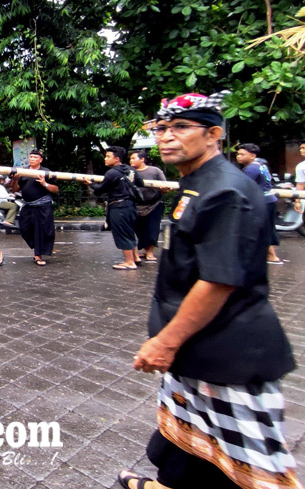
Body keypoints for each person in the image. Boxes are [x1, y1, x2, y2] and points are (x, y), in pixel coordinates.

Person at [118, 91, 299, 489]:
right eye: (161, 128)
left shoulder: (226, 191)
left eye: (181, 127)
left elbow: (219, 280)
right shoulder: (197, 183)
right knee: (193, 443)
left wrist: (165, 342)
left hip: (229, 353)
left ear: (214, 134)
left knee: (255, 469)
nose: (166, 137)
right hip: (197, 349)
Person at [82, 146, 143, 270]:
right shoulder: (131, 170)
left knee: (122, 233)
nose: (105, 159)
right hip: (130, 206)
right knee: (129, 232)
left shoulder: (112, 173)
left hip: (118, 207)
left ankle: (129, 262)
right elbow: (140, 183)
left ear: (116, 159)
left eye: (108, 156)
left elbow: (100, 190)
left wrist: (90, 184)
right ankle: (136, 257)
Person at [236, 144, 282, 264]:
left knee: (259, 229)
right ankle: (267, 256)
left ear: (252, 156)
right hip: (269, 200)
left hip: (261, 202)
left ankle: (271, 256)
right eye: (238, 154)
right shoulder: (260, 165)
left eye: (242, 154)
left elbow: (243, 186)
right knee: (266, 229)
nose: (238, 157)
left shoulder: (250, 169)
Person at [11, 149, 58, 266]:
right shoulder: (23, 172)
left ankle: (38, 255)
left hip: (43, 205)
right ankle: (37, 249)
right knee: (25, 228)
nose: (32, 159)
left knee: (42, 231)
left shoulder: (46, 172)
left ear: (40, 160)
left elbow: (56, 189)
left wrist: (44, 184)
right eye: (31, 156)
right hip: (28, 205)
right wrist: (15, 179)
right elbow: (15, 189)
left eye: (35, 157)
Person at [130, 150, 167, 263]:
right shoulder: (130, 172)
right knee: (139, 229)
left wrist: (164, 189)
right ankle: (145, 249)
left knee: (152, 228)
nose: (131, 160)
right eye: (130, 159)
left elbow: (165, 185)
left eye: (133, 158)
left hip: (154, 204)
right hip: (135, 205)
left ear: (142, 159)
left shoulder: (155, 171)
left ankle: (150, 252)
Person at [294, 142, 305, 213]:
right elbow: (300, 184)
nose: (301, 150)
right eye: (300, 148)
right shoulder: (301, 166)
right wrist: (297, 201)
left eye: (303, 148)